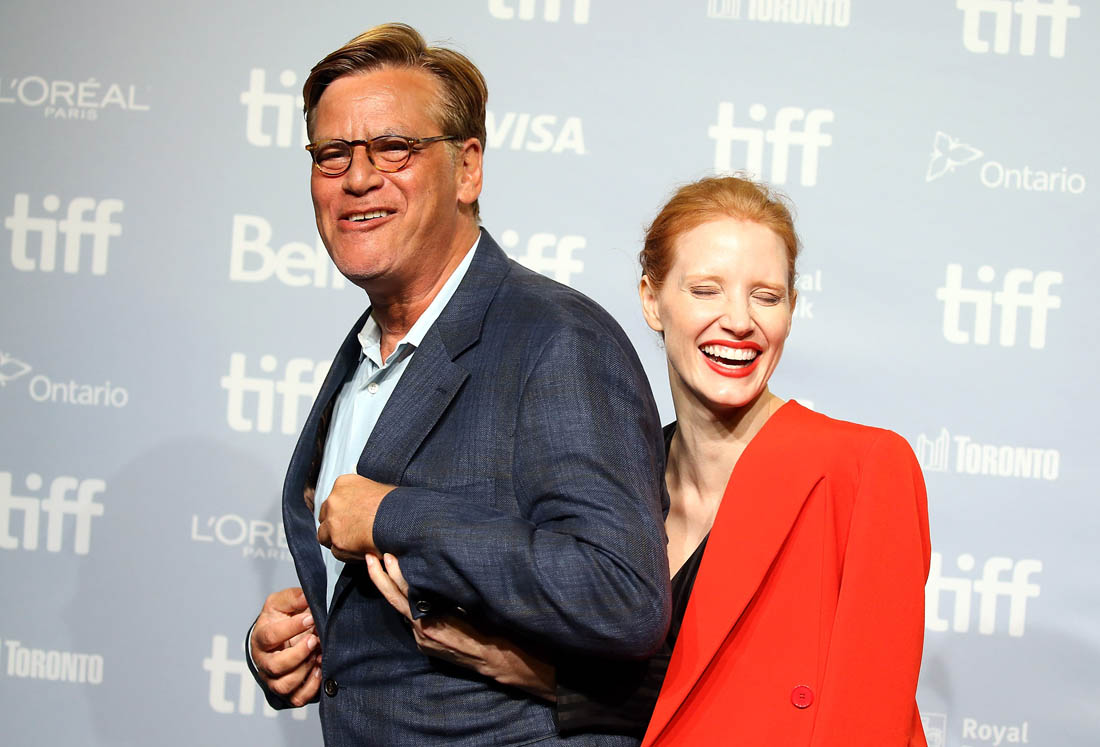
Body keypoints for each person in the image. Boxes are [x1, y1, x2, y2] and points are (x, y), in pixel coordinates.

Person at [370, 175, 932, 745]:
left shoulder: (860, 469)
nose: (739, 320)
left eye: (766, 296)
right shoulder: (616, 479)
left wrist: (547, 678)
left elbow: (860, 715)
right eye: (706, 290)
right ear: (651, 300)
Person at [243, 23, 670, 747]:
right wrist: (297, 648)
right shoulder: (361, 355)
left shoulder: (556, 338)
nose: (357, 178)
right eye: (332, 154)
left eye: (394, 148)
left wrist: (396, 515)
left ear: (468, 168)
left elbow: (620, 593)